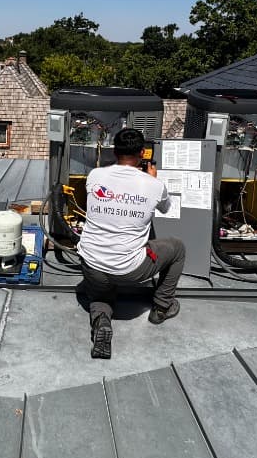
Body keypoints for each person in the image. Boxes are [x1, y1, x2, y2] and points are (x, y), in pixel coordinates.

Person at [76, 128, 186, 359]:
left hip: (92, 264)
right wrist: (152, 180)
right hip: (131, 270)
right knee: (177, 248)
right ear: (143, 153)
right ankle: (162, 307)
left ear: (114, 151)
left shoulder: (95, 176)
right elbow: (166, 209)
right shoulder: (153, 185)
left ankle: (102, 321)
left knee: (100, 295)